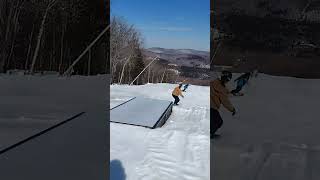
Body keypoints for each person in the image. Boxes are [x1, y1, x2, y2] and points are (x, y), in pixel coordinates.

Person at [211, 71, 236, 139]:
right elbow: (225, 101)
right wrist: (232, 109)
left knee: (213, 121)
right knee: (219, 122)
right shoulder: (222, 88)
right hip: (212, 107)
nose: (227, 81)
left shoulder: (214, 82)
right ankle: (210, 134)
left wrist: (229, 92)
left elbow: (223, 91)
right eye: (227, 79)